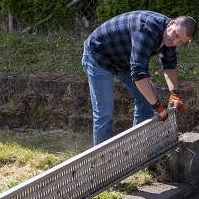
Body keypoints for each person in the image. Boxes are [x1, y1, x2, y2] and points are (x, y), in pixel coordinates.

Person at [82, 10, 198, 146]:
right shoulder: (147, 29)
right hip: (98, 56)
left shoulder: (169, 37)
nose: (175, 41)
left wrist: (174, 94)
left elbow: (169, 65)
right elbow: (139, 73)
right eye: (176, 35)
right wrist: (157, 106)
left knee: (147, 98)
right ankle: (102, 161)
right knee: (104, 113)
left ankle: (135, 147)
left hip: (121, 59)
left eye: (181, 42)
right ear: (171, 23)